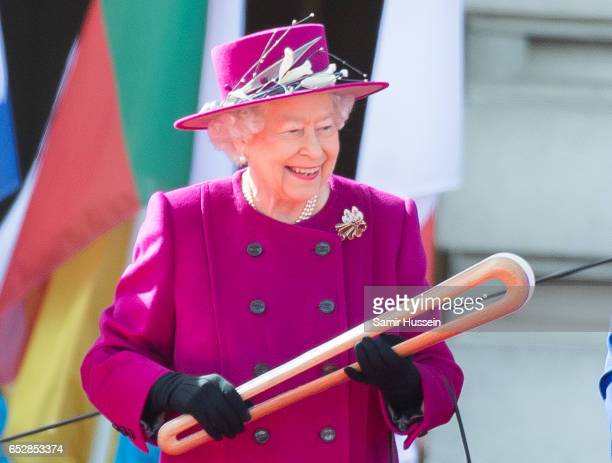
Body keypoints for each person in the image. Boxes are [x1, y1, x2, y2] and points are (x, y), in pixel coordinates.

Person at [80, 22, 463, 462]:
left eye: (325, 128)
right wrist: (175, 389)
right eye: (293, 132)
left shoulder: (384, 222)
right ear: (241, 136)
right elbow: (109, 361)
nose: (315, 151)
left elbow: (440, 371)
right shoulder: (186, 221)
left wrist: (406, 384)